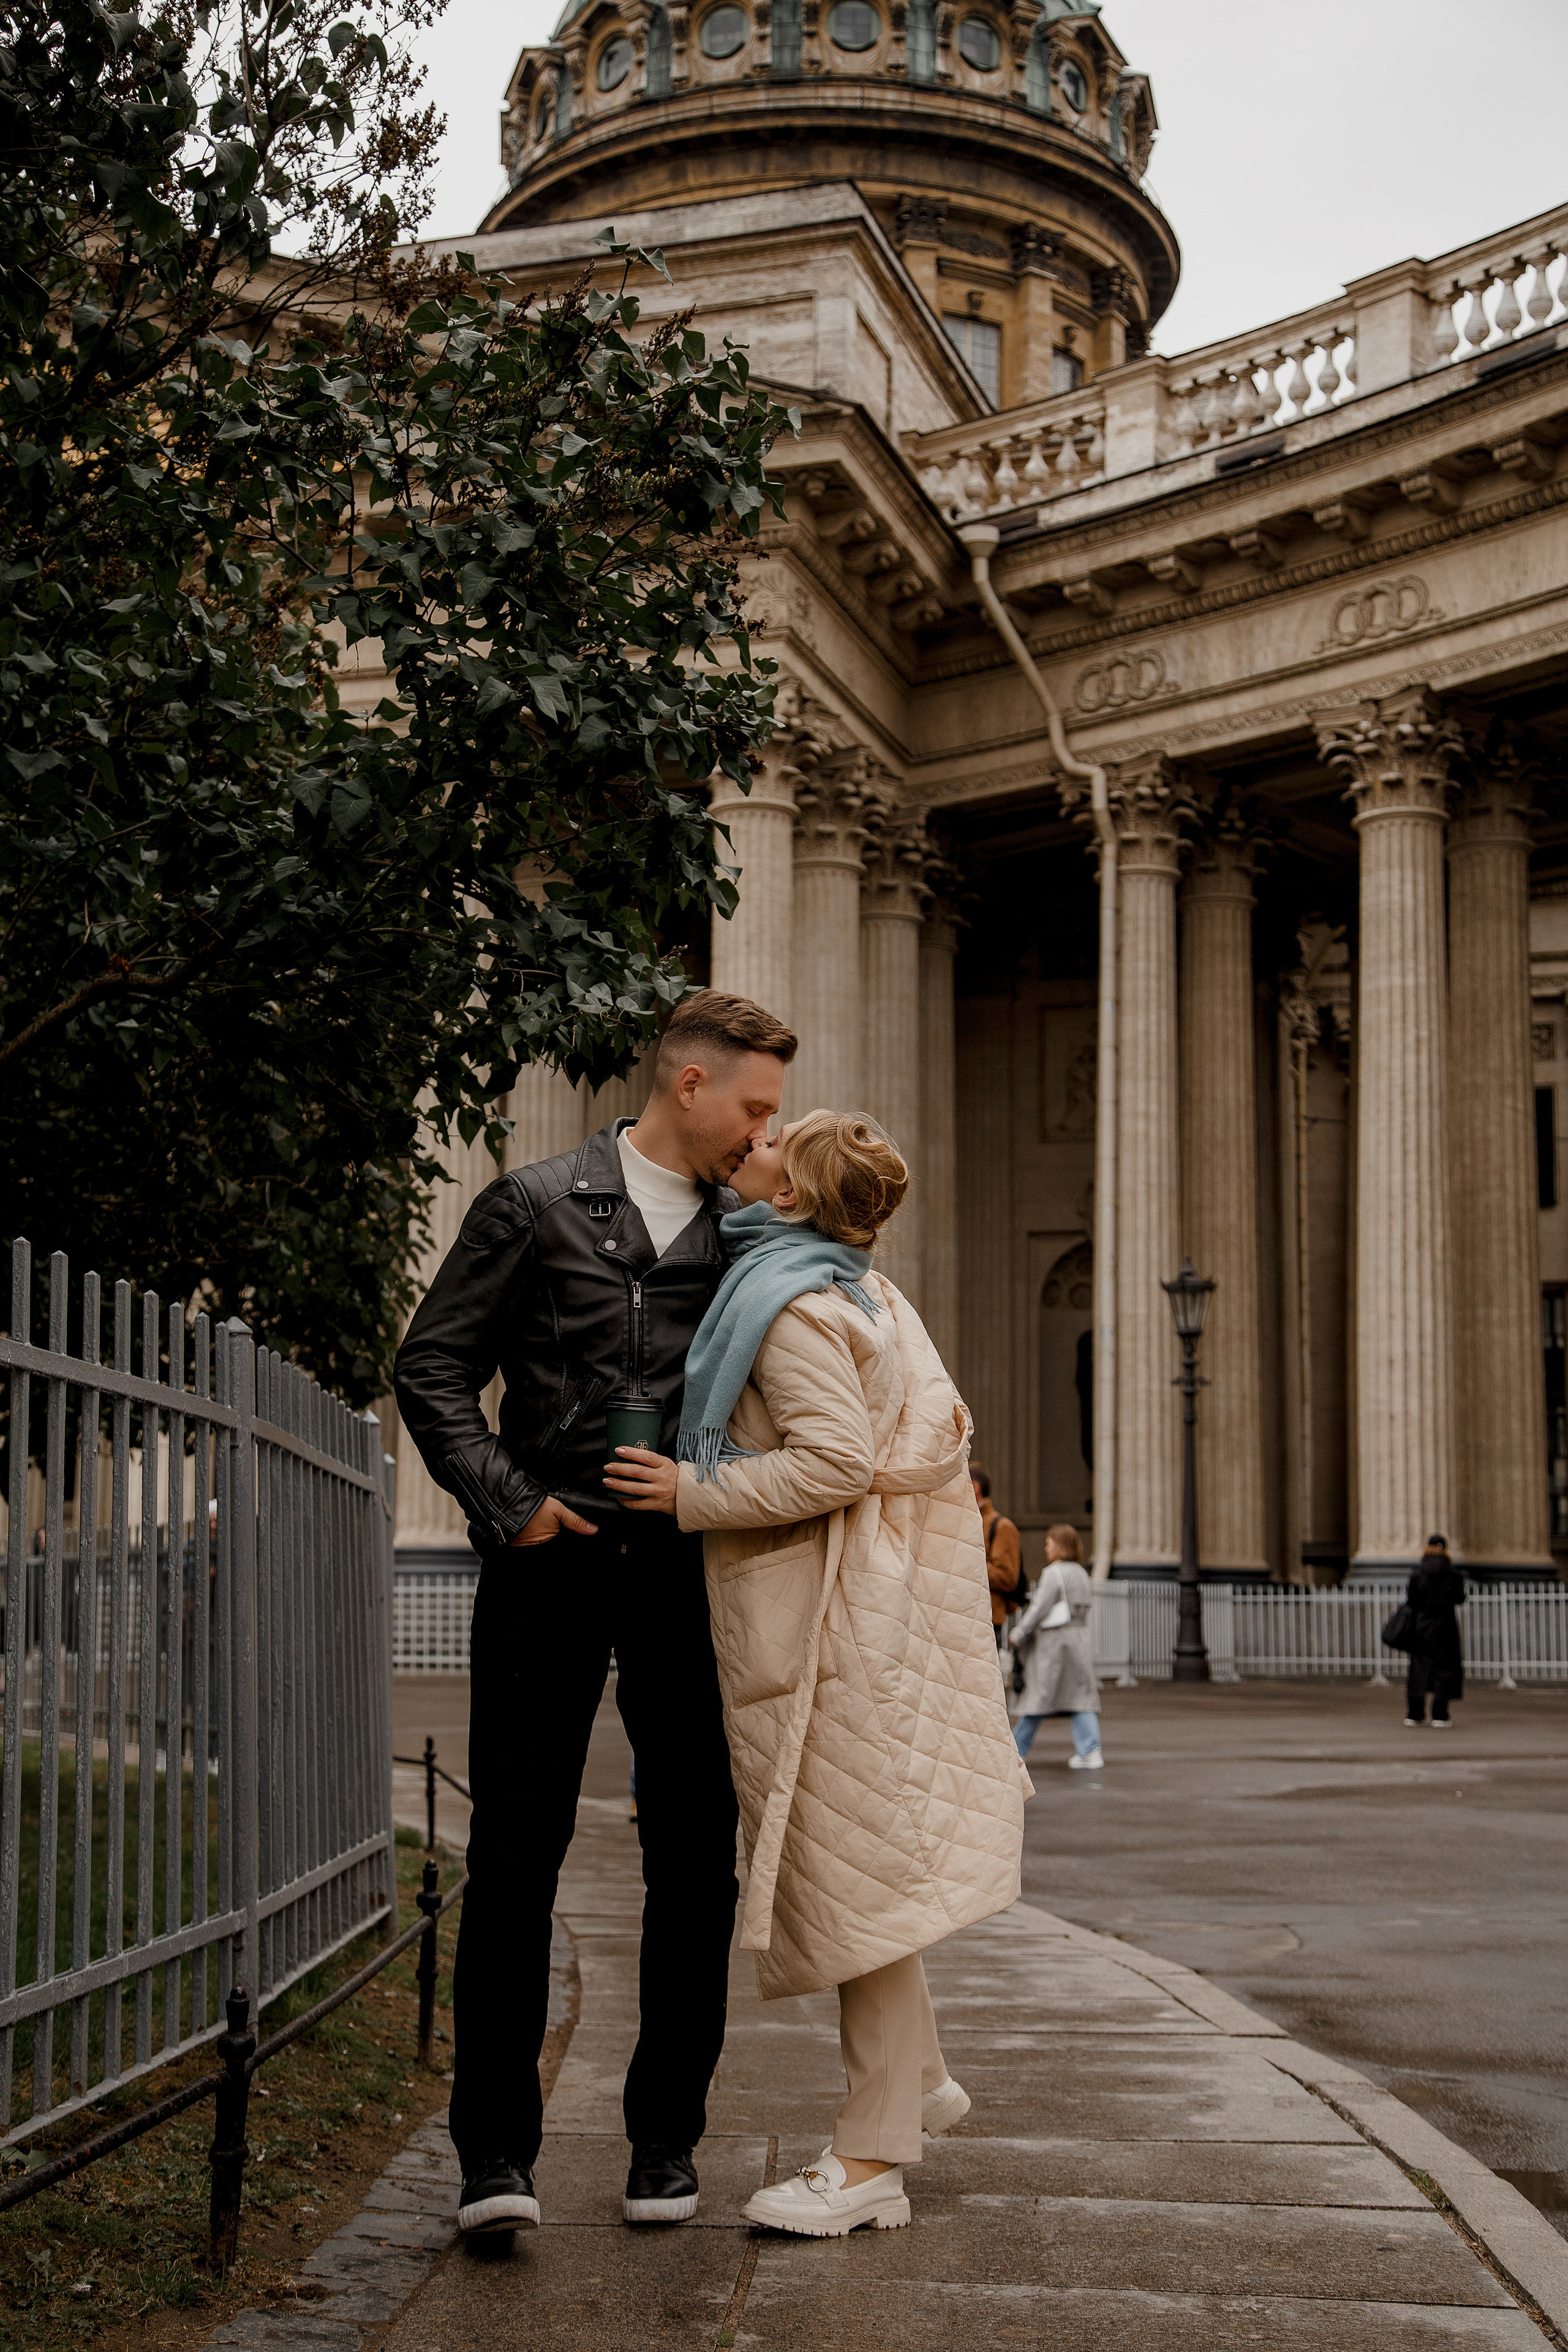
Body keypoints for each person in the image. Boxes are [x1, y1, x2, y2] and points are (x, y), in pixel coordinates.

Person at [393, 992, 797, 2237]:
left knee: (694, 1866)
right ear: (688, 1084)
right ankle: (493, 2162)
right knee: (515, 1859)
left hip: (690, 1570)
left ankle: (663, 2144)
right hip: (546, 1561)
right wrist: (507, 1501)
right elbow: (433, 1365)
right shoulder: (533, 1203)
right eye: (753, 1107)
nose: (764, 1130)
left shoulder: (751, 1231)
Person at [605, 1110, 1027, 2239]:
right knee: (864, 1860)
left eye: (764, 1149)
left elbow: (837, 1462)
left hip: (822, 1619)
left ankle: (870, 2159)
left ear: (787, 1199)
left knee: (853, 1892)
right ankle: (920, 2079)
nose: (745, 1145)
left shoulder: (785, 1305)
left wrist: (689, 1494)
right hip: (870, 1610)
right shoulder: (867, 1291)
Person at [1008, 1523, 1102, 1770]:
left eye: (1049, 1543)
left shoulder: (1054, 1573)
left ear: (1059, 1546)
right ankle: (1091, 1750)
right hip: (1078, 1638)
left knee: (1038, 1696)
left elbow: (1039, 1608)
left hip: (1054, 1643)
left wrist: (1019, 1633)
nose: (1046, 1548)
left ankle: (1016, 1751)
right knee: (1081, 1697)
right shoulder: (1082, 1573)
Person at [1404, 1533, 1465, 1728]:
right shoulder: (1453, 1572)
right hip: (1445, 1624)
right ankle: (1440, 1714)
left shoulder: (1418, 1571)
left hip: (1422, 1625)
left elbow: (1412, 1600)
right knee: (1445, 1669)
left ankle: (1415, 1713)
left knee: (1419, 1668)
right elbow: (1459, 1598)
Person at [972, 1464, 1023, 1656]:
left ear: (975, 1487)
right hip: (963, 1618)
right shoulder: (967, 1521)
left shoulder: (1002, 1526)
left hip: (987, 1621)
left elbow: (1008, 1577)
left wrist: (967, 1564)